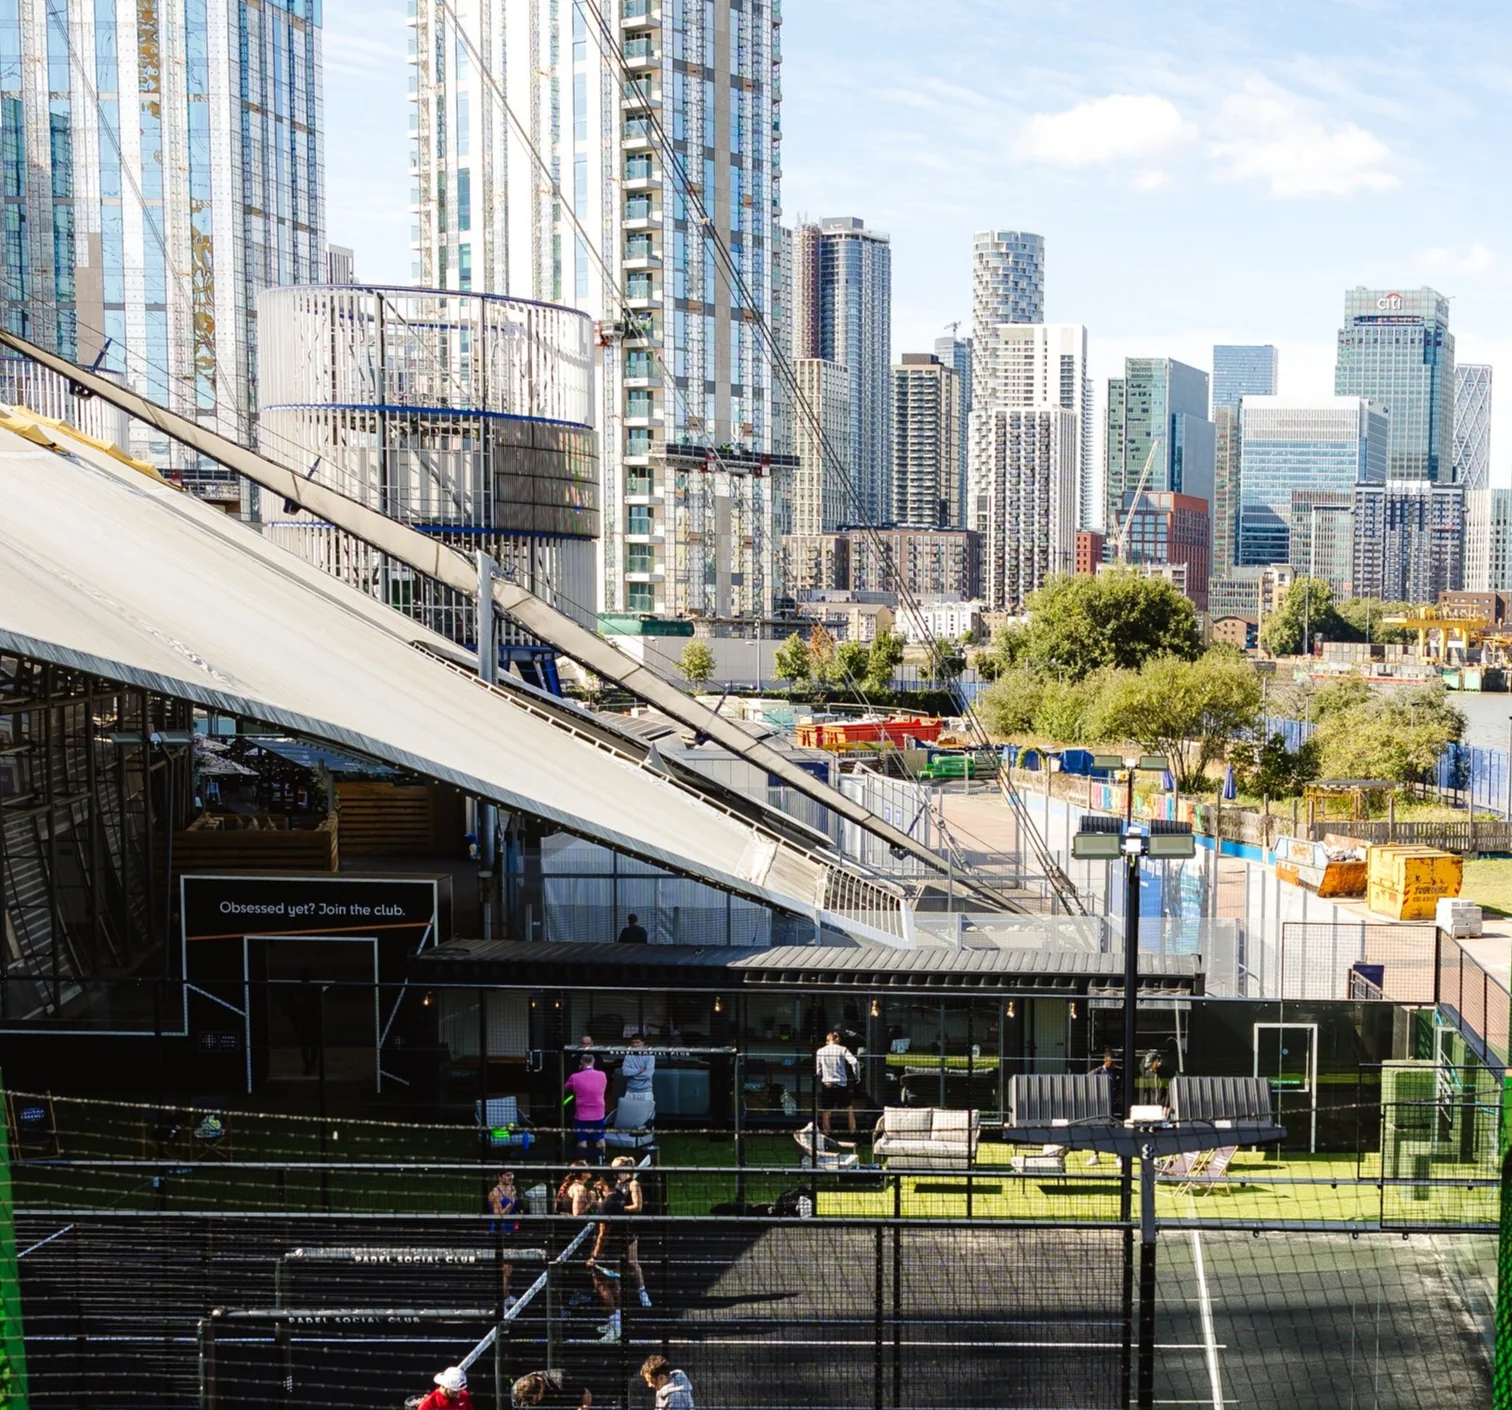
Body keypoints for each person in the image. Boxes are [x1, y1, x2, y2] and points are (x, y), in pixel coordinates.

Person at [586, 1173, 627, 1341]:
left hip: (606, 1251)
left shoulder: (606, 1206)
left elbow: (603, 1233)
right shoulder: (619, 1196)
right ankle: (617, 1323)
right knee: (613, 1285)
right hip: (618, 1248)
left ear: (603, 1181)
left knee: (601, 1285)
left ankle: (615, 1325)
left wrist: (594, 1256)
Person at [610, 1155, 651, 1308]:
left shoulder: (633, 1184)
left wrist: (620, 1209)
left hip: (628, 1228)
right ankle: (617, 1293)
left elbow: (638, 1206)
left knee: (632, 1262)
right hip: (614, 1229)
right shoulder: (614, 1184)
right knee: (614, 1264)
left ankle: (642, 1291)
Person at [815, 1030, 861, 1136]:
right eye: (839, 1038)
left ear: (827, 1041)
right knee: (849, 1109)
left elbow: (817, 1071)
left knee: (826, 1112)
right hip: (841, 1084)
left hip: (827, 1084)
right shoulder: (843, 1049)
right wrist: (857, 1076)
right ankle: (853, 1134)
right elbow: (854, 1062)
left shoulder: (820, 1051)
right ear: (835, 1039)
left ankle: (826, 1137)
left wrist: (822, 1076)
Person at [566, 1054, 610, 1161]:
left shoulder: (574, 1077)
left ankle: (582, 1164)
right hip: (598, 1114)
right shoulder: (602, 1075)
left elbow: (566, 1088)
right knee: (600, 1138)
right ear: (593, 1061)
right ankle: (601, 1161)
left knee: (582, 1140)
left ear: (581, 1062)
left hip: (582, 1115)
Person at [488, 1168, 521, 1308]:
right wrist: (511, 1203)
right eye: (507, 1175)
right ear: (500, 1176)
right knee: (504, 1266)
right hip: (500, 1232)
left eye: (512, 1174)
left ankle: (506, 1294)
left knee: (510, 1266)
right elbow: (499, 1215)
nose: (511, 1177)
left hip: (512, 1230)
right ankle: (502, 1297)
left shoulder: (512, 1188)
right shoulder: (495, 1193)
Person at [511, 1369, 592, 1410]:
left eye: (535, 1400)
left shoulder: (560, 1379)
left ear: (541, 1388)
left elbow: (586, 1393)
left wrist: (584, 1407)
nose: (533, 1403)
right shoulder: (516, 1391)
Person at [621, 1033, 656, 1099]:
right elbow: (625, 1072)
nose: (635, 1045)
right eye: (633, 1043)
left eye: (637, 1042)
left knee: (646, 1109)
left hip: (645, 1091)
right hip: (630, 1091)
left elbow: (648, 1075)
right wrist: (639, 1070)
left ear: (643, 1043)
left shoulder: (650, 1055)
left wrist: (632, 1075)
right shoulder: (628, 1055)